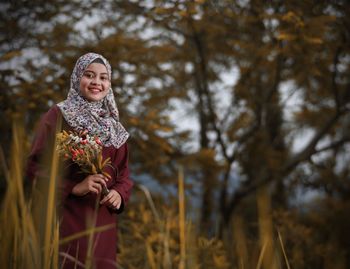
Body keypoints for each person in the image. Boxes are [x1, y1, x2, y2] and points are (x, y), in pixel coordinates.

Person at [26, 52, 133, 268]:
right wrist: (73, 187)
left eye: (103, 77)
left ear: (109, 83)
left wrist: (119, 194)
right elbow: (33, 168)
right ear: (77, 78)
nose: (96, 82)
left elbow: (124, 174)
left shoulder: (113, 126)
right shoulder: (58, 115)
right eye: (89, 75)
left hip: (103, 224)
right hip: (67, 219)